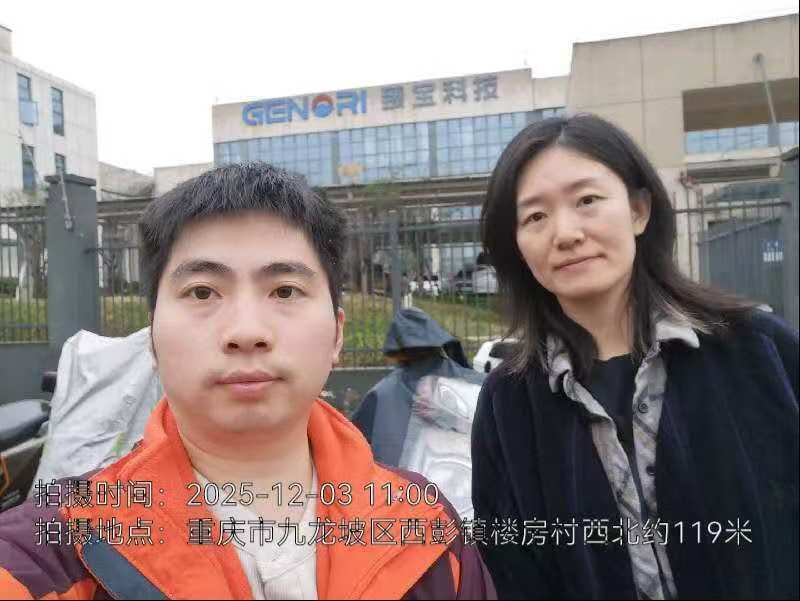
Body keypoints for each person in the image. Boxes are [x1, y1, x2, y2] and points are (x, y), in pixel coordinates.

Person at [0, 163, 495, 600]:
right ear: (152, 337)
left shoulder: (426, 527)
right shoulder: (55, 547)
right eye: (202, 292)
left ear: (337, 334)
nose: (246, 332)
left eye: (285, 290)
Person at [472, 114, 798, 599]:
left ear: (639, 210)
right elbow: (511, 565)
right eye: (535, 216)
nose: (565, 233)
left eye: (587, 200)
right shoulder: (508, 403)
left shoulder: (760, 351)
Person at [351, 308, 485, 519]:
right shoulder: (476, 384)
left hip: (405, 512)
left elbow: (353, 444)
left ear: (398, 350)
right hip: (474, 505)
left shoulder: (383, 393)